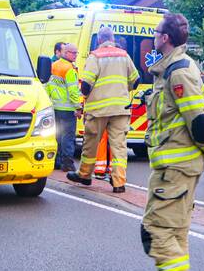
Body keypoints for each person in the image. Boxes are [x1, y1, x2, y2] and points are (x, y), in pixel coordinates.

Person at [138, 13, 204, 271]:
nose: (153, 36)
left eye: (156, 32)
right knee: (176, 231)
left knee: (157, 229)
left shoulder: (177, 72)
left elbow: (199, 120)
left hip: (175, 167)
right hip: (177, 166)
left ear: (166, 38)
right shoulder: (178, 68)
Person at [67, 27, 139, 193]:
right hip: (120, 109)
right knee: (119, 146)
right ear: (112, 38)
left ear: (99, 40)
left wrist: (85, 97)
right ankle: (119, 182)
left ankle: (85, 175)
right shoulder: (124, 55)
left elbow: (86, 85)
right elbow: (136, 80)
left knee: (91, 143)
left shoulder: (96, 56)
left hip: (98, 109)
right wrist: (122, 89)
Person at [47, 42, 80, 171]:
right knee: (68, 137)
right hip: (67, 109)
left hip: (55, 107)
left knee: (57, 136)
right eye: (74, 53)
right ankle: (67, 164)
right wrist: (78, 107)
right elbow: (73, 91)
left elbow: (48, 86)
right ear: (66, 53)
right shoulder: (69, 69)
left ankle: (56, 161)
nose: (76, 55)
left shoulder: (53, 66)